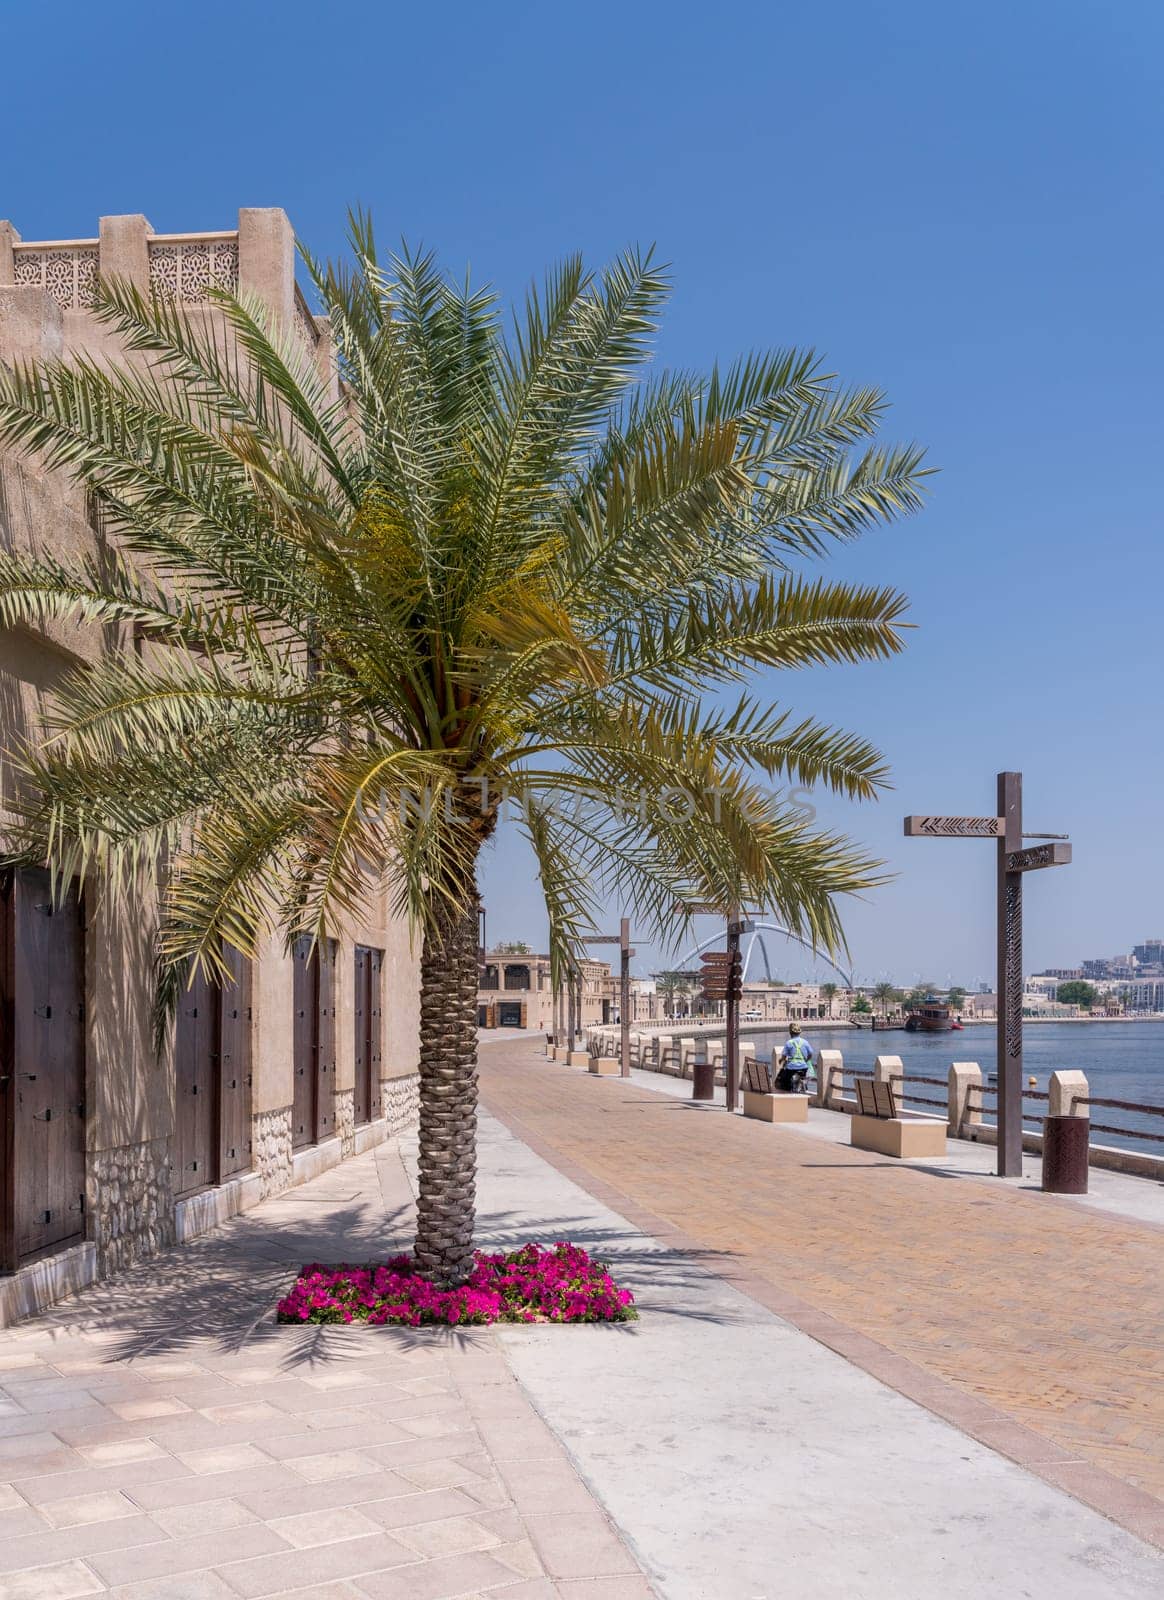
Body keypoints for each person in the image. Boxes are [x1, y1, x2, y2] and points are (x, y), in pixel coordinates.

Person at [776, 1023, 815, 1093]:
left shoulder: (789, 1043)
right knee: (803, 1077)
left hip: (791, 1067)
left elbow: (784, 1056)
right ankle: (804, 1088)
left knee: (784, 1080)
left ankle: (788, 1093)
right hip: (803, 1067)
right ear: (799, 1033)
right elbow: (811, 1054)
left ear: (790, 1032)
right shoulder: (805, 1042)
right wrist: (806, 1060)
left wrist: (781, 1060)